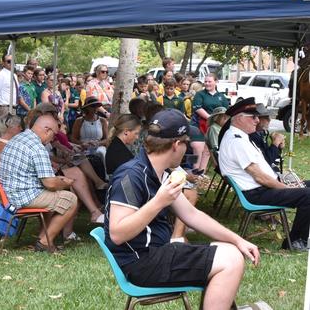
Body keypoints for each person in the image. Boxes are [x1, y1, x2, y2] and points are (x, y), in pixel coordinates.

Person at [106, 109, 260, 309]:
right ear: (177, 144)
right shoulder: (131, 176)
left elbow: (192, 215)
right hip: (141, 263)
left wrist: (238, 239)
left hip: (159, 253)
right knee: (231, 261)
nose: (186, 148)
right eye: (186, 143)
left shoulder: (161, 173)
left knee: (230, 250)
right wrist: (158, 202)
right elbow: (117, 233)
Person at [219, 97, 310, 251]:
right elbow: (260, 178)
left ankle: (300, 238)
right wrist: (286, 188)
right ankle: (294, 242)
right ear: (240, 118)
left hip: (261, 188)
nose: (257, 120)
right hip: (256, 193)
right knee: (307, 195)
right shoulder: (236, 141)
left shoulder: (240, 136)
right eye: (253, 117)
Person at [0, 112, 78, 253]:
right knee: (70, 199)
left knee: (54, 195)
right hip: (22, 196)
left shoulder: (18, 138)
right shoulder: (37, 147)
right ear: (47, 130)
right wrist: (66, 183)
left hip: (10, 193)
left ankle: (44, 236)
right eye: (53, 135)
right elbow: (50, 183)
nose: (53, 139)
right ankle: (44, 242)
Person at [71, 97, 108, 176]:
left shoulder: (102, 121)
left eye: (96, 106)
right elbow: (73, 138)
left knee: (101, 152)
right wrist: (82, 143)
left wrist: (98, 143)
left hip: (98, 146)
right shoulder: (79, 121)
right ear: (87, 108)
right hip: (82, 147)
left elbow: (107, 139)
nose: (95, 109)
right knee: (77, 156)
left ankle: (105, 176)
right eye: (92, 106)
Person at [0, 54, 18, 135]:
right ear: (3, 63)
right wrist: (1, 108)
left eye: (13, 61)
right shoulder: (0, 76)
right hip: (4, 108)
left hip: (13, 108)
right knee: (2, 135)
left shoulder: (14, 75)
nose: (11, 63)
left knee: (10, 135)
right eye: (9, 61)